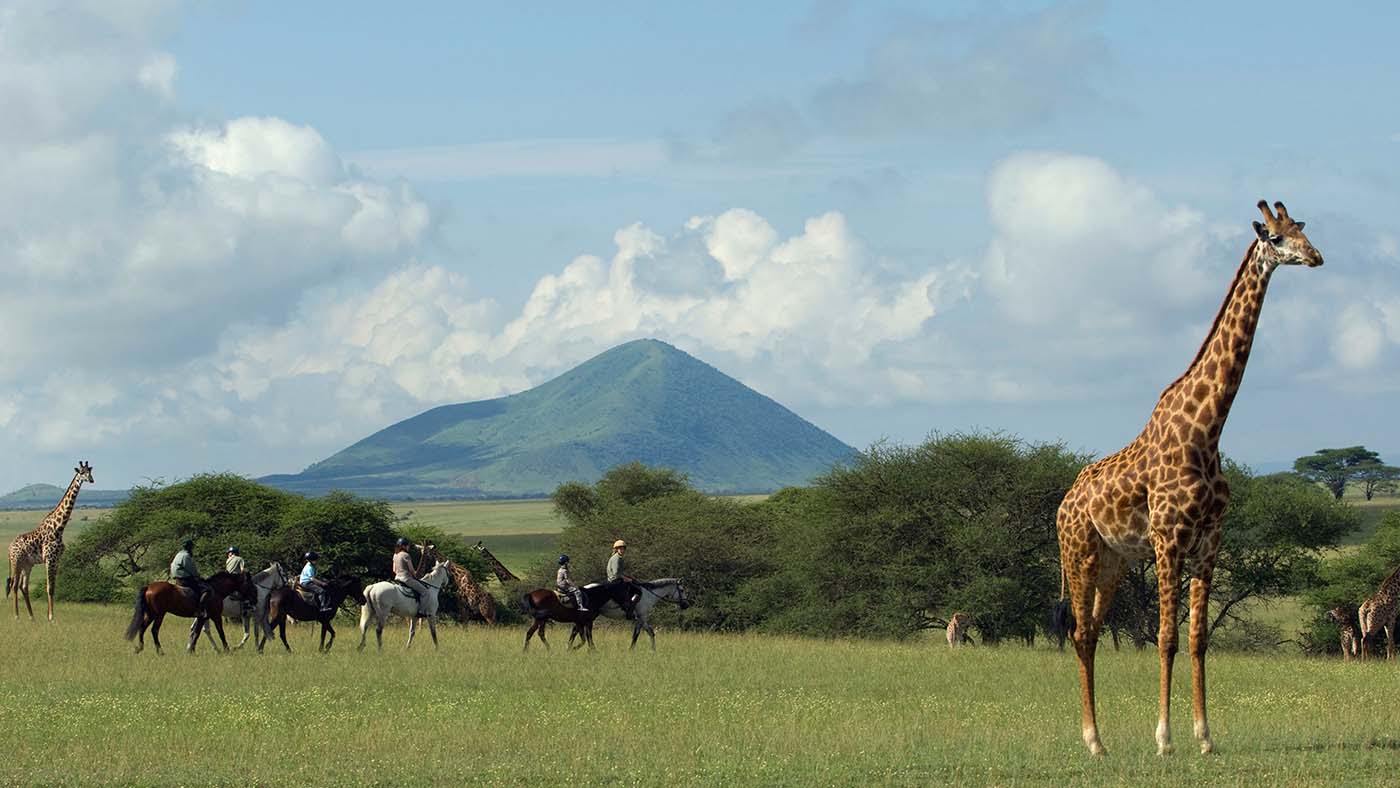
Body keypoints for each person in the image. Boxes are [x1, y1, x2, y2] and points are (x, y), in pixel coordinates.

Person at [391, 537, 429, 616]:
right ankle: (421, 612)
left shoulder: (395, 555)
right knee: (425, 592)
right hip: (406, 579)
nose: (408, 547)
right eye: (407, 546)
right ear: (404, 546)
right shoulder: (406, 555)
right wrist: (415, 576)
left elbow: (394, 570)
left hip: (397, 578)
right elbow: (411, 570)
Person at [169, 538, 210, 609]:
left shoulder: (179, 554)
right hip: (185, 579)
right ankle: (200, 609)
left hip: (177, 578)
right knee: (205, 590)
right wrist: (197, 576)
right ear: (189, 547)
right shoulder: (186, 556)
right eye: (191, 547)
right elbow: (191, 569)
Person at [606, 539, 639, 617]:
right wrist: (628, 579)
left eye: (623, 548)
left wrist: (630, 577)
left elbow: (620, 572)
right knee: (637, 591)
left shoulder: (619, 558)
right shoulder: (616, 559)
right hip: (615, 581)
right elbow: (616, 574)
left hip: (617, 580)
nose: (622, 550)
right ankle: (629, 610)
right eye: (620, 548)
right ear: (616, 549)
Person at [225, 546, 251, 614]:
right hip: (235, 577)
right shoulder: (240, 559)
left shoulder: (228, 560)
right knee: (246, 588)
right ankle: (246, 604)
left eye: (229, 553)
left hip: (227, 578)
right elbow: (242, 570)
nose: (228, 554)